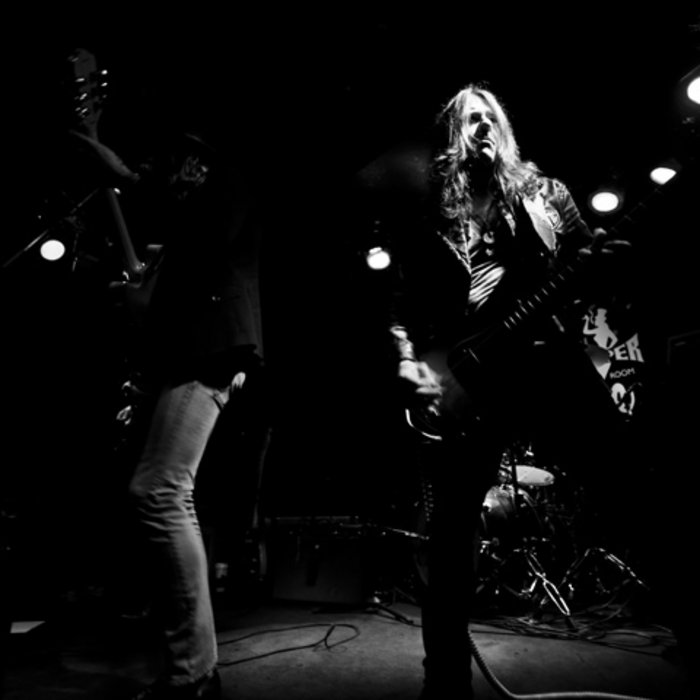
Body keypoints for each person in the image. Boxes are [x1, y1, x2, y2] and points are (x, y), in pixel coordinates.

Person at [382, 83, 630, 699]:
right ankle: (445, 685)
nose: (482, 126)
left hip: (546, 362)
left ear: (505, 130)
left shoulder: (546, 194)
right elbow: (400, 302)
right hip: (465, 380)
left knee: (630, 486)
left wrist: (608, 263)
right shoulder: (430, 211)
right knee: (451, 540)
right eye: (469, 119)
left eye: (490, 117)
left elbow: (587, 265)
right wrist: (409, 360)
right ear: (452, 136)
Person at [70, 122, 268, 700]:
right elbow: (172, 285)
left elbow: (207, 240)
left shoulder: (226, 184)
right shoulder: (187, 220)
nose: (154, 171)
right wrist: (140, 298)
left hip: (210, 353)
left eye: (162, 164)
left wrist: (123, 176)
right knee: (163, 495)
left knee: (159, 492)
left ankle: (194, 673)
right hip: (189, 353)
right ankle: (192, 669)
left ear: (189, 162)